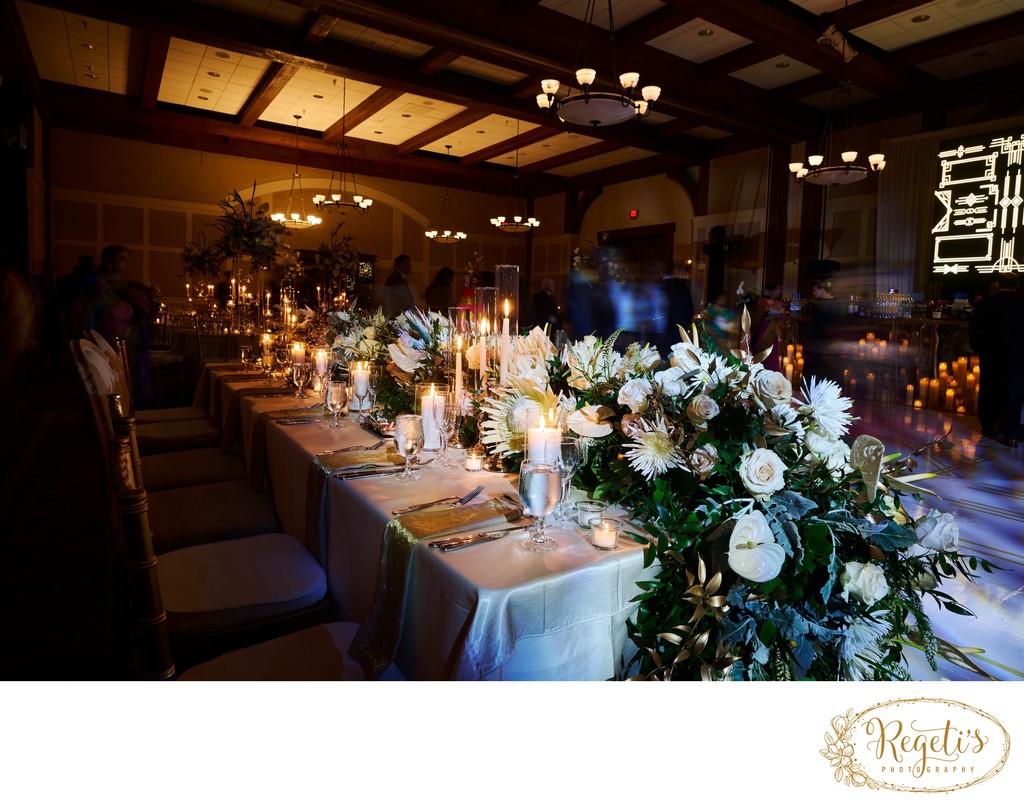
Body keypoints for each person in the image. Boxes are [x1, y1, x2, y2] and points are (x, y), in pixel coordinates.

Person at [968, 274, 1018, 439]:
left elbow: (973, 331)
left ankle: (988, 426)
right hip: (1016, 358)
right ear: (1016, 286)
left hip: (990, 355)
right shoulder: (1021, 305)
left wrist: (978, 348)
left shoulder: (984, 305)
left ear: (997, 284)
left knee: (988, 388)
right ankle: (1007, 428)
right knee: (1012, 391)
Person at [661, 261, 693, 352]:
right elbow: (690, 309)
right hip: (680, 327)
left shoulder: (662, 286)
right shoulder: (682, 286)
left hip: (664, 329)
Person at [750, 283, 783, 370]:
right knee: (765, 356)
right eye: (777, 289)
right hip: (763, 333)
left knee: (773, 354)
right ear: (770, 291)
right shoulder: (762, 302)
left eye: (780, 290)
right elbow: (757, 316)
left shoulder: (777, 302)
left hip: (774, 332)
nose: (779, 292)